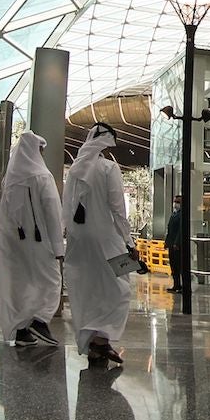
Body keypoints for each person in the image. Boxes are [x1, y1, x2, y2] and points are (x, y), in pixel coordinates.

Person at [64, 125, 133, 364]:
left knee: (89, 291)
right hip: (108, 240)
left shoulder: (75, 170)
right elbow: (118, 209)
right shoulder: (108, 167)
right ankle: (101, 341)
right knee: (121, 288)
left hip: (79, 243)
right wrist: (129, 240)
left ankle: (94, 342)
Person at [0, 130, 64, 347]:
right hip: (41, 242)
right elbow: (53, 213)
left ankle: (21, 330)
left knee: (22, 284)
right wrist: (58, 248)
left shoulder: (10, 180)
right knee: (52, 280)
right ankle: (41, 319)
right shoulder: (43, 177)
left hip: (15, 242)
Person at [164, 194, 187, 294]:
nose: (175, 204)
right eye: (175, 202)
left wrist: (177, 243)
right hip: (171, 244)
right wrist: (167, 242)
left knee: (180, 266)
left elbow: (180, 230)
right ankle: (176, 284)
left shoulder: (182, 214)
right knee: (173, 266)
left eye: (178, 202)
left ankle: (183, 286)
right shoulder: (174, 214)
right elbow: (170, 230)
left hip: (178, 245)